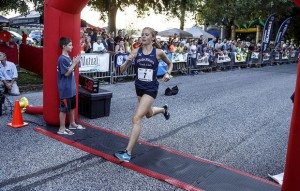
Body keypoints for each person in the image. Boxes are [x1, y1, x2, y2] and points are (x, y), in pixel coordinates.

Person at [114, 27, 173, 162]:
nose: (143, 37)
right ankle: (164, 109)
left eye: (146, 35)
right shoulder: (135, 52)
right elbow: (121, 71)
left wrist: (168, 73)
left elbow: (170, 64)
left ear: (152, 38)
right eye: (142, 35)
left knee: (136, 118)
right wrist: (128, 61)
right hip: (139, 88)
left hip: (151, 89)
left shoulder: (158, 53)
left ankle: (127, 153)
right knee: (148, 113)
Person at [57, 37, 85, 135]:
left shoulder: (68, 57)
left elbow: (72, 70)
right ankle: (62, 128)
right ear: (64, 46)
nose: (72, 46)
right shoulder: (61, 59)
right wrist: (74, 63)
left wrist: (76, 63)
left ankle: (72, 123)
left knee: (72, 106)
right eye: (69, 45)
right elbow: (66, 73)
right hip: (65, 88)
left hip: (71, 87)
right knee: (64, 109)